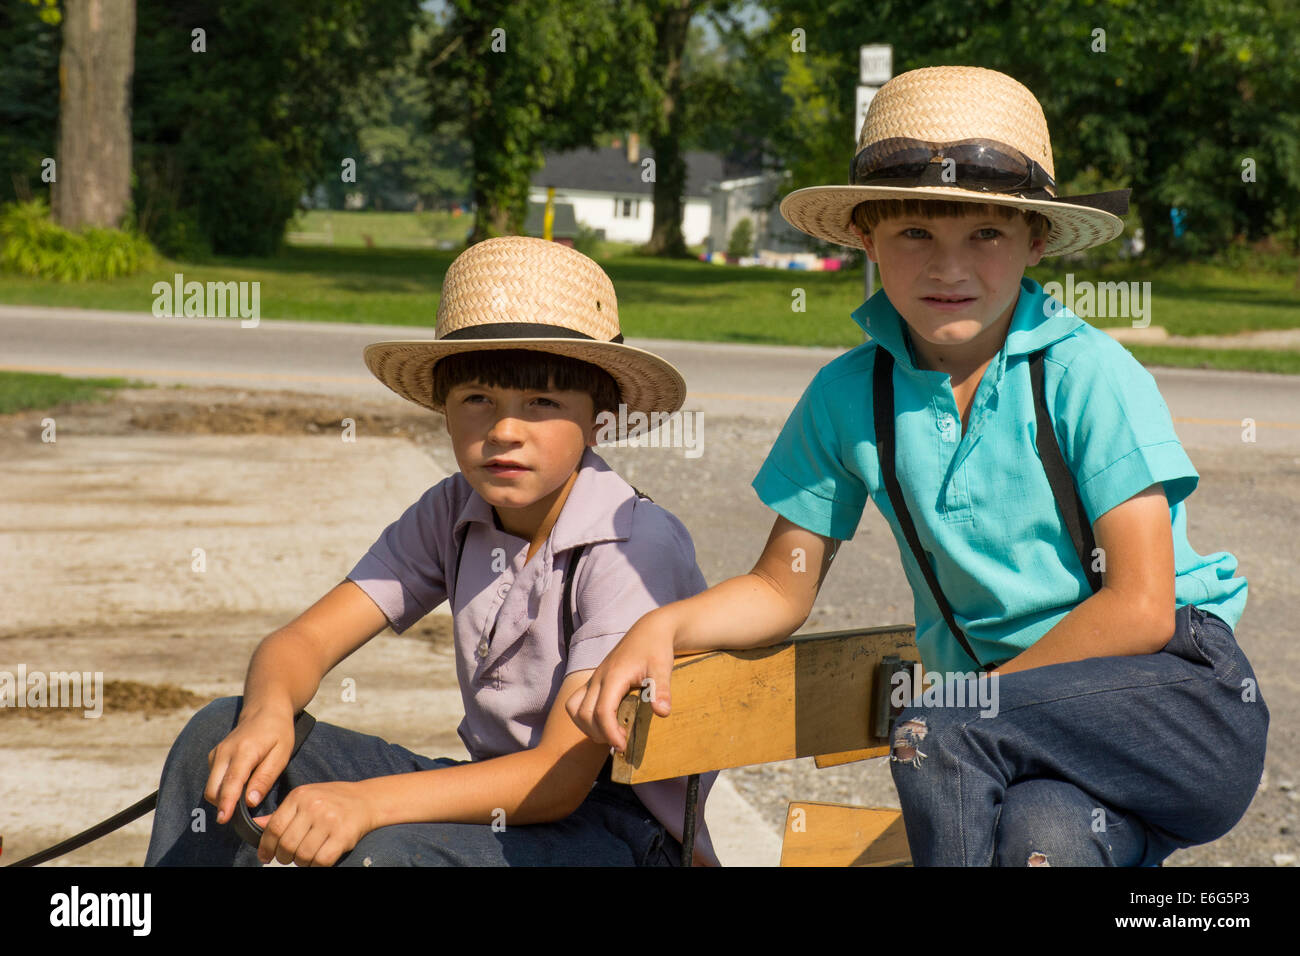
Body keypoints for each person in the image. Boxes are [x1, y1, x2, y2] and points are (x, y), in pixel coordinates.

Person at [568, 65, 1268, 866]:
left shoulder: (1086, 376)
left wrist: (977, 701)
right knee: (1046, 844)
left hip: (1175, 707)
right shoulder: (847, 396)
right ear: (866, 239)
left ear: (1036, 241)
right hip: (1026, 749)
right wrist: (662, 623)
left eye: (986, 234)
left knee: (926, 728)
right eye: (914, 235)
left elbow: (1142, 607)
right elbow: (779, 586)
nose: (949, 268)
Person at [145, 236, 720, 867]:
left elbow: (558, 779)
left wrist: (365, 803)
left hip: (619, 835)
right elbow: (300, 643)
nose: (504, 430)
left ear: (598, 420)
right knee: (219, 731)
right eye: (478, 399)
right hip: (503, 802)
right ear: (443, 412)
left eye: (542, 403)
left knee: (391, 852)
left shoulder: (629, 543)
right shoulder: (452, 510)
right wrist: (267, 711)